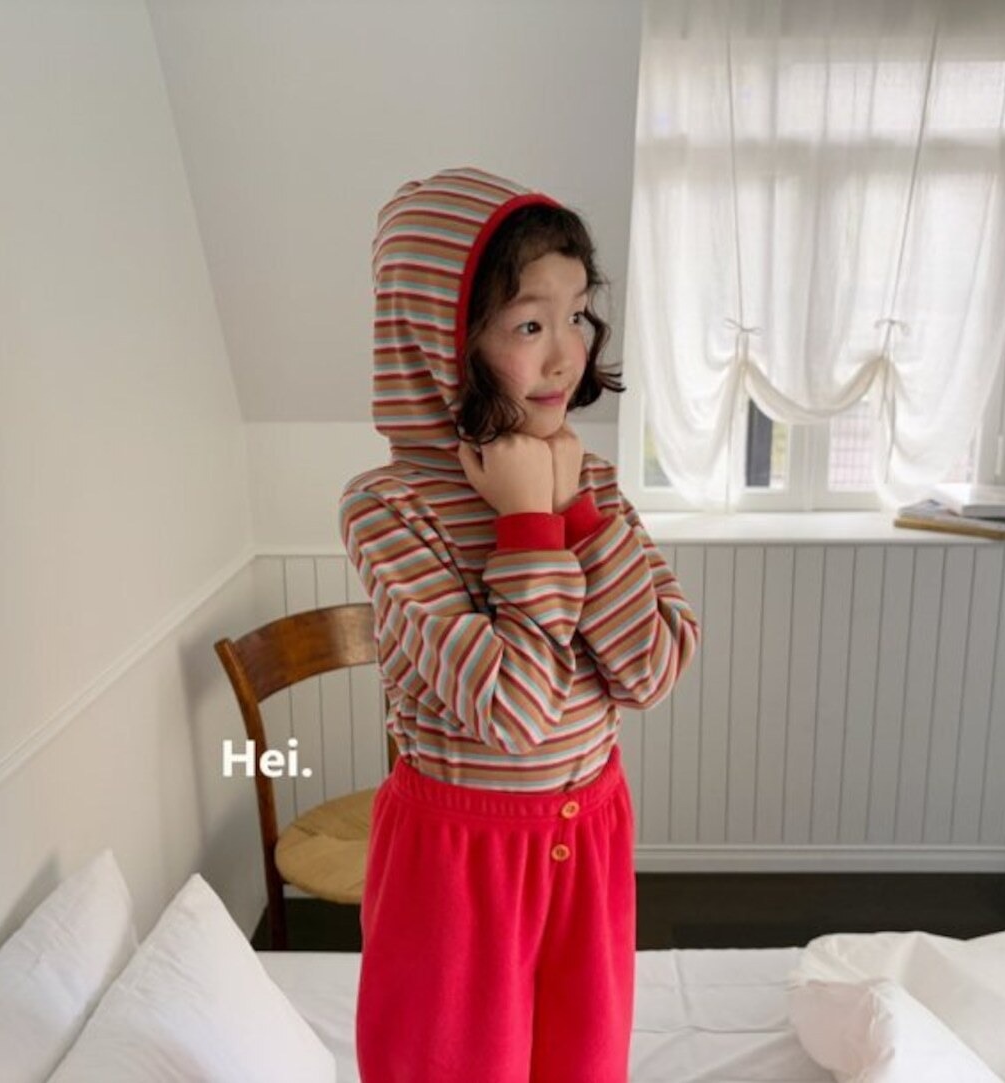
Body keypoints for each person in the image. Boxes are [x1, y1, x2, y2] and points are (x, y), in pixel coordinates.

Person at [339, 166, 700, 1083]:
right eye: (529, 325)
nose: (565, 355)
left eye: (576, 314)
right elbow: (516, 711)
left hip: (592, 833)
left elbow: (652, 670)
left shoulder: (590, 479)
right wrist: (530, 525)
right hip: (459, 863)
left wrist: (577, 514)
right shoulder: (390, 509)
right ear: (443, 339)